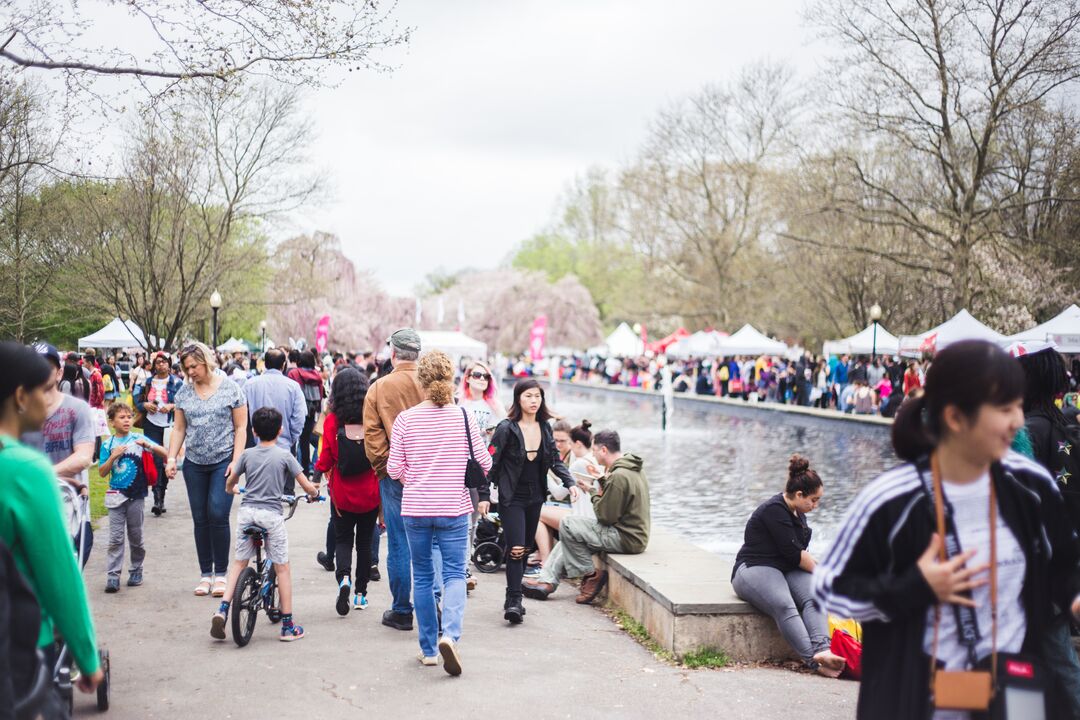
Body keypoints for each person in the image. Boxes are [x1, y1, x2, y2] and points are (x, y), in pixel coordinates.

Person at [814, 340, 1080, 719]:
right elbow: (830, 587)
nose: (1018, 421)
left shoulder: (1031, 485)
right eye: (1004, 409)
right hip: (922, 693)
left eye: (1018, 406)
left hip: (1014, 691)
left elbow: (1063, 566)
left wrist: (1073, 598)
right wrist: (915, 586)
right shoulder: (891, 499)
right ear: (956, 418)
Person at [0, 343, 103, 711]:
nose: (51, 398)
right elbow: (58, 574)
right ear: (20, 397)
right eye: (44, 389)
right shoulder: (25, 470)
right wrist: (86, 656)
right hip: (21, 641)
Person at [386, 350, 492, 674]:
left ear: (421, 380)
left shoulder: (406, 419)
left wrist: (414, 479)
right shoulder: (463, 417)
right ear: (451, 380)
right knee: (455, 574)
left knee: (423, 576)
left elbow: (393, 469)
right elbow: (485, 464)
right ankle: (451, 636)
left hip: (416, 509)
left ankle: (429, 649)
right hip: (454, 508)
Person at [211, 407, 321, 642]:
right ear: (280, 430)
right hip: (270, 515)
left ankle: (222, 608)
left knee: (239, 563)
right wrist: (314, 493)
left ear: (253, 431)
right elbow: (306, 485)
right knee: (282, 567)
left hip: (247, 513)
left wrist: (232, 489)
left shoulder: (247, 455)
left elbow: (231, 482)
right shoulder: (284, 456)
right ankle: (288, 626)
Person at [1012, 341, 1080, 716]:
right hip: (1064, 559)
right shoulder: (1066, 428)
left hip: (1036, 566)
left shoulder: (1028, 434)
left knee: (1050, 656)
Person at [731, 455, 846, 677]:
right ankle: (816, 662)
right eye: (814, 500)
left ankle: (823, 649)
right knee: (785, 606)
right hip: (754, 567)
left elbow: (800, 555)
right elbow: (796, 555)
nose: (816, 505)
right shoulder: (774, 510)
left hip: (786, 568)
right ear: (799, 495)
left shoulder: (798, 512)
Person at [482, 380, 578, 623]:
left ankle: (512, 594)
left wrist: (571, 483)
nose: (534, 401)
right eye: (528, 396)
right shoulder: (506, 428)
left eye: (537, 396)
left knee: (523, 548)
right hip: (511, 497)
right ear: (518, 400)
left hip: (536, 498)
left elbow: (555, 460)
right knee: (515, 549)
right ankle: (514, 600)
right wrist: (483, 495)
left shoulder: (545, 428)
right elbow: (490, 463)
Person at [521, 429, 649, 604]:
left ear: (603, 450)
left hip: (625, 537)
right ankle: (547, 582)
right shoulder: (631, 470)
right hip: (632, 533)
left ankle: (590, 574)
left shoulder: (619, 476)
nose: (593, 454)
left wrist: (595, 494)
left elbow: (605, 516)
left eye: (594, 450)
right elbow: (617, 500)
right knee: (570, 530)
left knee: (567, 524)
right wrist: (599, 483)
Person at [167, 342, 248, 598]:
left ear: (206, 361)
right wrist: (171, 458)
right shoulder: (183, 393)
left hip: (223, 461)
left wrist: (236, 461)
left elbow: (241, 428)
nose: (190, 372)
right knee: (200, 518)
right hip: (194, 464)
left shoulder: (231, 389)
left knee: (217, 512)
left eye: (194, 366)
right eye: (186, 368)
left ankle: (222, 574)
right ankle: (205, 574)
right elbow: (179, 429)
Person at [363, 328, 424, 632]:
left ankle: (402, 609)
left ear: (394, 353)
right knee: (433, 541)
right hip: (433, 473)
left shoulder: (379, 387)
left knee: (399, 542)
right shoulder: (434, 385)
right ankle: (432, 602)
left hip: (395, 474)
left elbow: (372, 435)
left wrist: (386, 468)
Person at [315, 367, 380, 615]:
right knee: (364, 544)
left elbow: (325, 458)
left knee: (343, 540)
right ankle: (361, 595)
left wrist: (317, 475)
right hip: (370, 493)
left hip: (342, 494)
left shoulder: (332, 421)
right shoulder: (372, 419)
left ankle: (344, 579)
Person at [98, 401, 166, 593]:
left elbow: (165, 452)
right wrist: (113, 456)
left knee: (136, 537)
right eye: (122, 417)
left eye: (129, 417)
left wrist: (148, 445)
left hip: (136, 496)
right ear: (112, 422)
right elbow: (102, 472)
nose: (127, 420)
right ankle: (113, 576)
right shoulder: (108, 444)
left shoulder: (138, 438)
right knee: (115, 539)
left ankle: (136, 569)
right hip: (115, 496)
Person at [535, 420, 597, 566]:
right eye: (554, 440)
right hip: (582, 511)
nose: (558, 444)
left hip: (580, 514)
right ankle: (544, 557)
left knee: (536, 512)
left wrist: (542, 470)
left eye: (563, 441)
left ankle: (546, 563)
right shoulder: (592, 459)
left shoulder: (578, 463)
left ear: (576, 443)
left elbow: (558, 494)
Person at [243, 348, 307, 484]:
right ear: (283, 364)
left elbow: (241, 414)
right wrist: (291, 438)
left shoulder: (249, 385)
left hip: (256, 446)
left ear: (265, 363)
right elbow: (300, 417)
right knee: (284, 492)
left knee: (257, 487)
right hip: (284, 446)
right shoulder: (293, 387)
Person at [134, 352, 183, 516]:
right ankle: (157, 498)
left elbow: (185, 401)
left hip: (170, 425)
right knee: (154, 458)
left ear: (169, 364)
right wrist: (145, 405)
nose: (160, 365)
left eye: (163, 362)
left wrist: (172, 406)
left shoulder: (177, 382)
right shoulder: (147, 382)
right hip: (151, 424)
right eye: (157, 362)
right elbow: (137, 399)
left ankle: (162, 492)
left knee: (167, 459)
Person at [287, 349, 325, 474]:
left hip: (295, 411)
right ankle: (305, 470)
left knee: (291, 441)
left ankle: (292, 470)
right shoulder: (317, 376)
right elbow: (320, 395)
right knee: (305, 441)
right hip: (311, 413)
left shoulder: (294, 373)